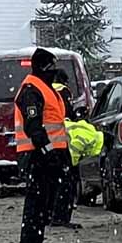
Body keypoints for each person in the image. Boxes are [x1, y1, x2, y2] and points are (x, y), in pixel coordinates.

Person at [14, 47, 70, 243]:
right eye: (51, 67)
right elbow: (33, 126)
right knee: (36, 208)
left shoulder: (44, 88)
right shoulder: (32, 90)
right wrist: (48, 150)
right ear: (44, 68)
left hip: (47, 156)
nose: (54, 72)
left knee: (42, 207)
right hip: (38, 156)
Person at [49, 70, 81, 230]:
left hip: (47, 144)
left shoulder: (46, 90)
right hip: (62, 141)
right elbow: (68, 115)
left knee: (51, 182)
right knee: (67, 181)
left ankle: (50, 215)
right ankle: (61, 217)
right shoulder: (63, 92)